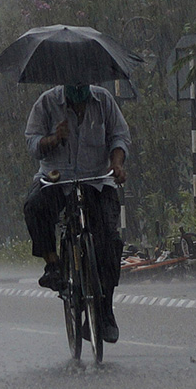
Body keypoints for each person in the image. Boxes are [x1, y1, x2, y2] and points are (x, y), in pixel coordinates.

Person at [22, 81, 130, 343]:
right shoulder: (47, 103)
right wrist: (53, 139)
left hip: (96, 179)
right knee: (34, 207)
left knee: (109, 240)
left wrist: (116, 164)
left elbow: (119, 136)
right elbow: (32, 142)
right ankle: (53, 265)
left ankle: (105, 311)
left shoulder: (103, 101)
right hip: (57, 179)